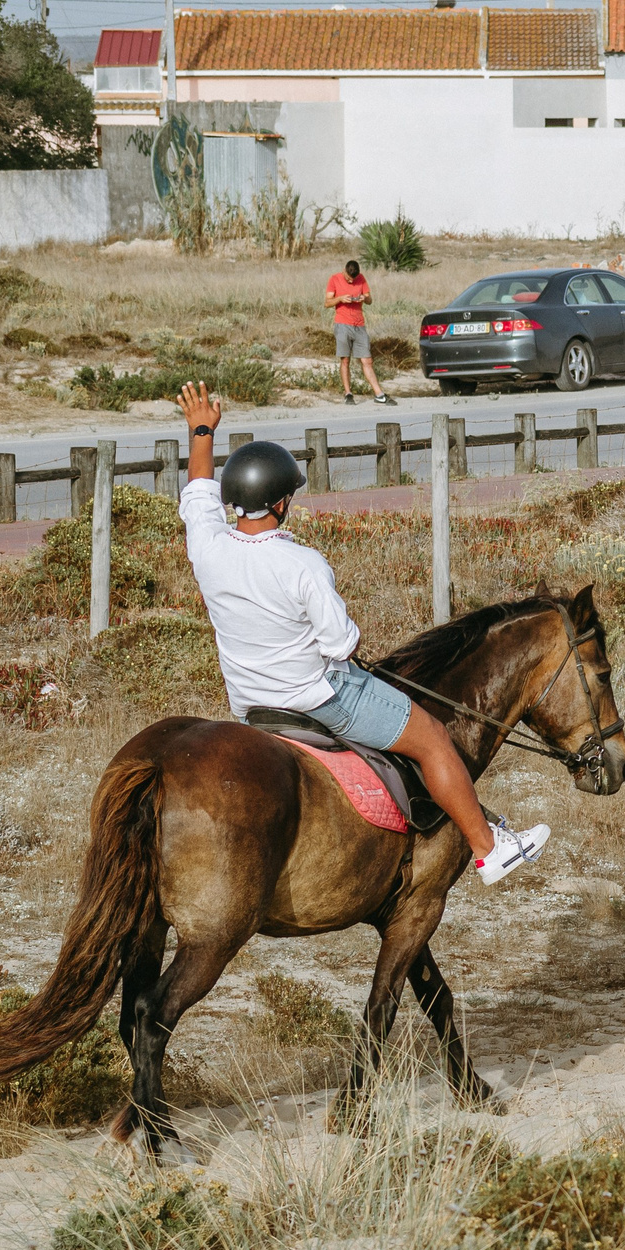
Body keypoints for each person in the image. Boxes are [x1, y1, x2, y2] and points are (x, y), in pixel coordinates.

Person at [173, 382, 548, 884]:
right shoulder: (302, 563)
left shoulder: (208, 547)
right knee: (435, 739)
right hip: (319, 699)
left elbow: (196, 491)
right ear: (282, 502)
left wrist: (201, 430)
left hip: (249, 705)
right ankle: (489, 848)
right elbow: (340, 645)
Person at [325, 260, 394, 406]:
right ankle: (348, 393)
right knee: (345, 360)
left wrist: (364, 298)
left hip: (359, 325)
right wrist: (340, 299)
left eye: (353, 279)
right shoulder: (334, 279)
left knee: (367, 360)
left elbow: (369, 300)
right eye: (349, 279)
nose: (351, 281)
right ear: (344, 270)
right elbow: (327, 303)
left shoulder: (361, 278)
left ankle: (379, 394)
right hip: (342, 324)